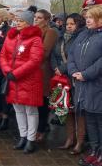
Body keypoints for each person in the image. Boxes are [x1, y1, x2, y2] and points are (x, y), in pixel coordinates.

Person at [0, 11, 44, 154]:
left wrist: (16, 73)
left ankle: (31, 139)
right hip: (12, 79)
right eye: (17, 20)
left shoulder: (35, 39)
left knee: (30, 110)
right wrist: (7, 71)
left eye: (21, 21)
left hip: (28, 80)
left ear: (29, 23)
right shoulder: (11, 37)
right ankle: (22, 136)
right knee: (18, 109)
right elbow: (3, 55)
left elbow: (35, 60)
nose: (17, 23)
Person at [69, 5, 102, 166]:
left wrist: (85, 74)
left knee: (99, 121)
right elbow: (72, 55)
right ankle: (95, 151)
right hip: (82, 87)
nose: (87, 19)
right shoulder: (82, 35)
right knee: (89, 120)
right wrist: (74, 71)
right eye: (87, 16)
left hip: (97, 85)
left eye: (91, 17)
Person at [51, 13, 86, 155]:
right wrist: (55, 68)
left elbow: (76, 57)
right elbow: (53, 55)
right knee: (65, 109)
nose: (69, 26)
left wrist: (63, 68)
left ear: (79, 24)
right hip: (60, 79)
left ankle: (80, 142)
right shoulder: (60, 37)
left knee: (79, 112)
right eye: (67, 24)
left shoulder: (81, 38)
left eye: (72, 24)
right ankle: (69, 139)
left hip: (74, 79)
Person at [33, 9, 58, 142]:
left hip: (44, 71)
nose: (36, 19)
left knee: (42, 103)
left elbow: (44, 52)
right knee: (34, 103)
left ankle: (41, 129)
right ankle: (35, 128)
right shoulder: (33, 31)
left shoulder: (51, 32)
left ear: (47, 20)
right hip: (32, 70)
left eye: (40, 17)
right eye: (35, 17)